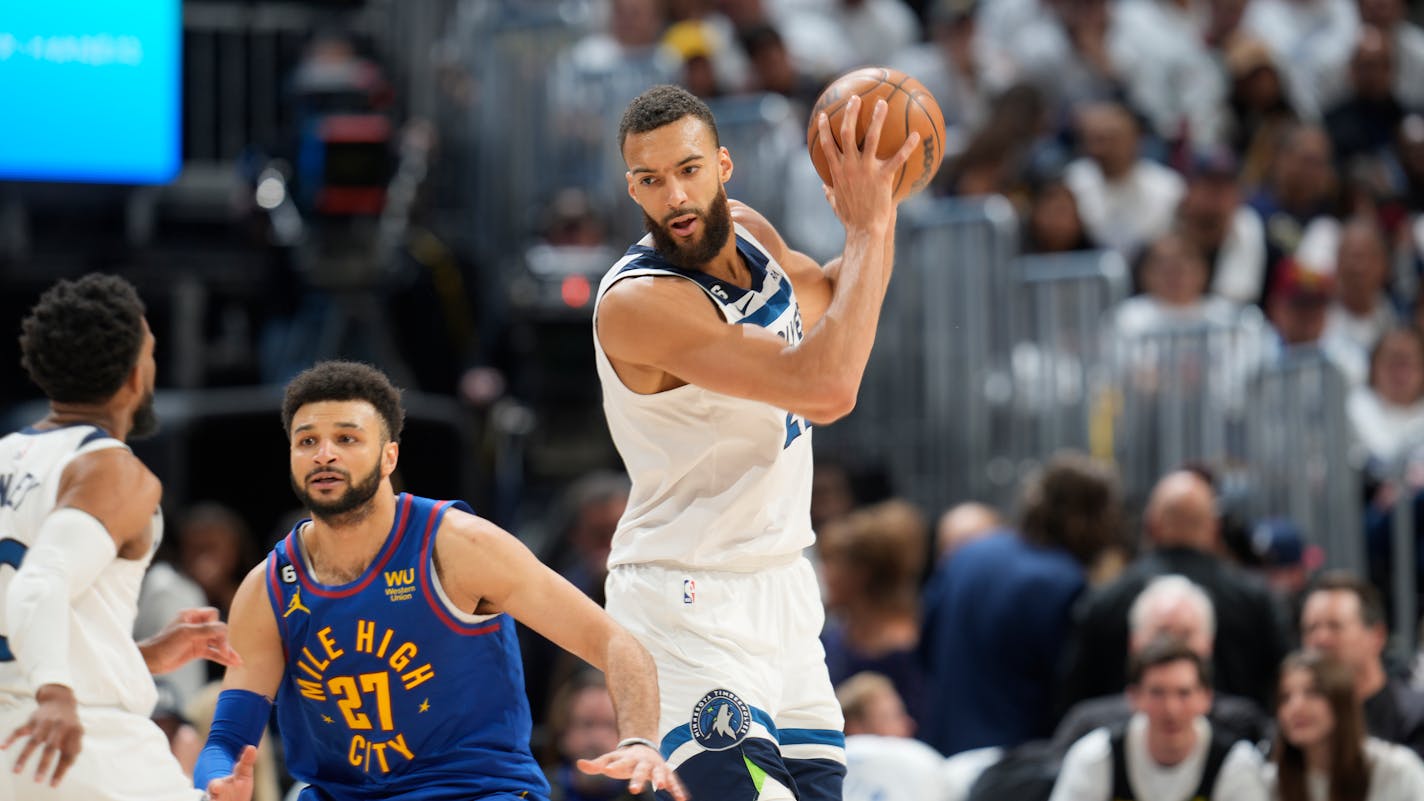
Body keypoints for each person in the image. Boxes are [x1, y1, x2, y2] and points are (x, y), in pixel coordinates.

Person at [592, 83, 920, 799]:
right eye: (650, 180)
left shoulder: (754, 236)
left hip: (783, 593)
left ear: (723, 165)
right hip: (685, 599)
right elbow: (829, 387)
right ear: (632, 188)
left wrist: (882, 209)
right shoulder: (640, 303)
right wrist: (866, 232)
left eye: (688, 169)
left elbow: (839, 300)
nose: (673, 194)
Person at [191, 361, 686, 801]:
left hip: (472, 791)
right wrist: (214, 781)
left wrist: (640, 738)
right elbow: (228, 740)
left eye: (346, 438)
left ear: (389, 457)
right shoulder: (271, 586)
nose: (324, 454)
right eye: (307, 441)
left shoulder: (458, 546)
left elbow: (615, 642)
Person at [0, 273, 255, 800]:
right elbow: (38, 584)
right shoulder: (111, 470)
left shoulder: (5, 455)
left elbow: (26, 613)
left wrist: (139, 657)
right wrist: (54, 694)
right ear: (135, 375)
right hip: (80, 746)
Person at [1048, 637, 1269, 801]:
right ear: (1133, 697)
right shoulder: (1094, 757)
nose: (1171, 709)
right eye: (1157, 693)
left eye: (1184, 693)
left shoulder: (1236, 763)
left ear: (1206, 698)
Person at [1299, 570, 1424, 757]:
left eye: (1334, 626)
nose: (1320, 639)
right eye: (1311, 628)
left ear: (1377, 636)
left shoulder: (1415, 717)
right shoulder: (1298, 721)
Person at [1269, 650, 1424, 801]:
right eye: (1285, 697)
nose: (1296, 707)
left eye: (1313, 692)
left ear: (1342, 702)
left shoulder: (1398, 770)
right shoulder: (1272, 783)